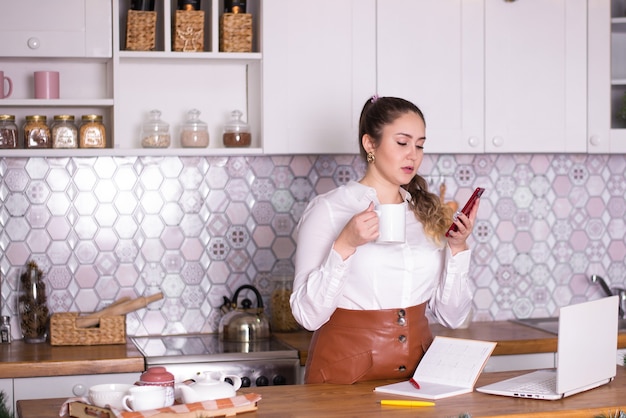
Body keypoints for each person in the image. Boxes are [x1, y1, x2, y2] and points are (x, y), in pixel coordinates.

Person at [290, 96, 479, 384]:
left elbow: (452, 317)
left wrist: (457, 248)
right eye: (402, 143)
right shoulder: (328, 210)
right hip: (343, 378)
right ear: (370, 144)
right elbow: (307, 315)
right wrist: (346, 244)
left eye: (420, 145)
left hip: (418, 379)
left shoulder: (426, 214)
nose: (412, 155)